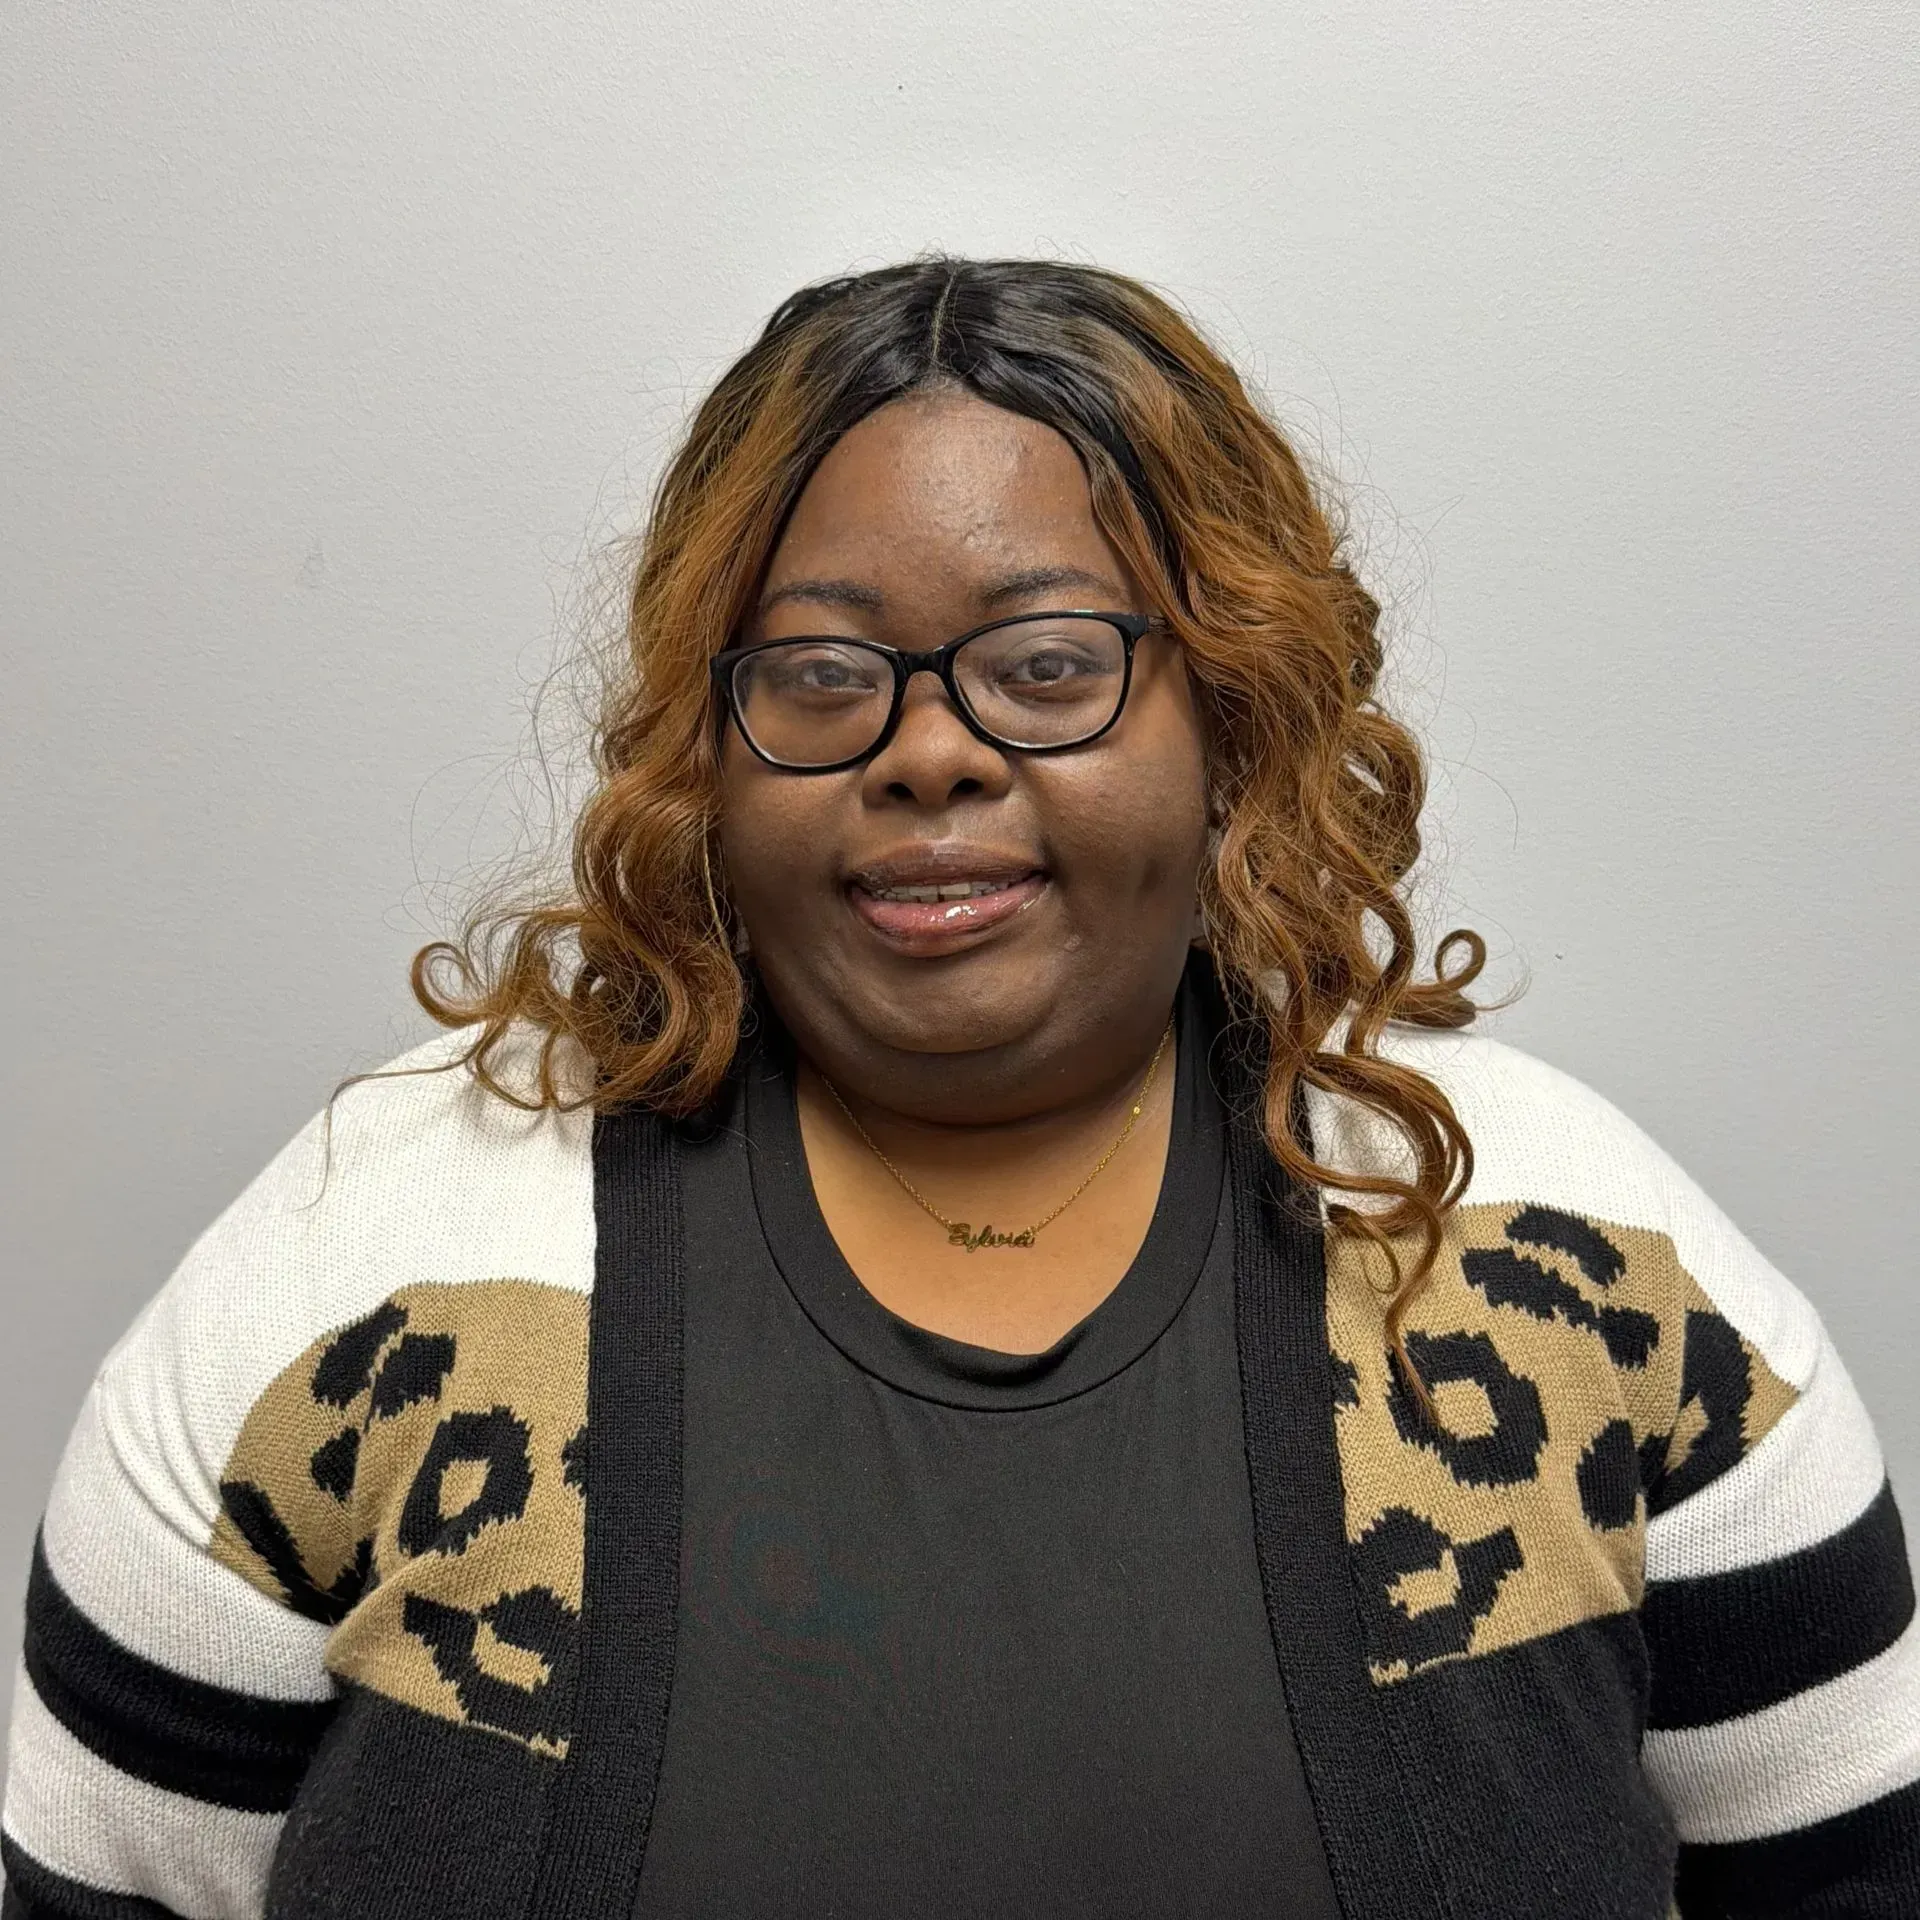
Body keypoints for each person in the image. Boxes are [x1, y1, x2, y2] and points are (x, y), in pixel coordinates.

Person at [4, 257, 1914, 1920]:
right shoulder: (353, 1287)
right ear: (706, 739)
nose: (930, 754)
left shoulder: (1592, 1270)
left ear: (1233, 710)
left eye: (1049, 664)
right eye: (824, 675)